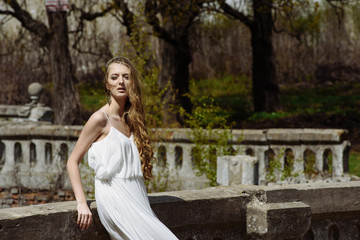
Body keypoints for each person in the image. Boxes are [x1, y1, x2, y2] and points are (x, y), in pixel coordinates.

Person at [67, 57, 178, 239]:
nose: (120, 81)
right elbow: (72, 161)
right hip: (114, 196)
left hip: (138, 196)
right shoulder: (99, 119)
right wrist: (81, 203)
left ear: (132, 82)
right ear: (107, 84)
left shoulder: (134, 120)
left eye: (126, 77)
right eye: (114, 77)